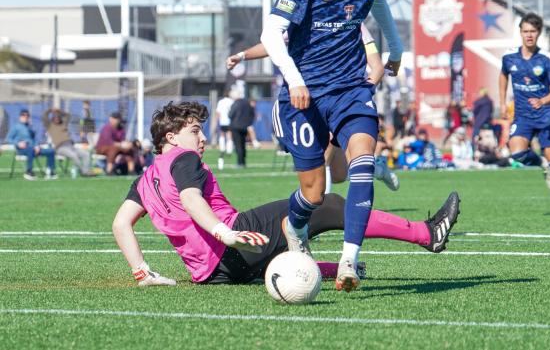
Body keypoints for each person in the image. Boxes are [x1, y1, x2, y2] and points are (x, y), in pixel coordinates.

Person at [259, 0, 437, 292]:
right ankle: (295, 224)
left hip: (350, 88)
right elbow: (272, 34)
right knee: (314, 193)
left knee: (360, 160)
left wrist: (396, 47)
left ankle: (348, 262)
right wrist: (294, 79)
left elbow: (378, 6)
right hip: (302, 94)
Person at [111, 101, 460, 287]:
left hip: (212, 275)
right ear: (170, 138)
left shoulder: (144, 180)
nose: (202, 139)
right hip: (234, 245)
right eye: (194, 131)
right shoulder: (183, 157)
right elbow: (191, 199)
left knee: (286, 246)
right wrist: (226, 233)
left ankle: (327, 268)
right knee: (325, 203)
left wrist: (142, 272)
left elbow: (120, 224)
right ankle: (426, 233)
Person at [226, 22, 398, 192]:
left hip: (343, 105)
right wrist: (242, 55)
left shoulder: (355, 23)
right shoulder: (311, 20)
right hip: (312, 105)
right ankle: (375, 168)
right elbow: (273, 44)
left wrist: (359, 95)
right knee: (338, 174)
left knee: (325, 156)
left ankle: (319, 213)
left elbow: (377, 68)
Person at [499, 13, 550, 216]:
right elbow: (503, 75)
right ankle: (540, 163)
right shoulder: (509, 57)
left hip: (547, 116)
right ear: (520, 32)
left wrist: (543, 101)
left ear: (539, 33)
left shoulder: (546, 59)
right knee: (516, 153)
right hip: (523, 116)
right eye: (525, 31)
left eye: (533, 31)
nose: (529, 35)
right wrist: (502, 102)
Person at [7, 109, 57, 180]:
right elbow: (9, 138)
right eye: (24, 116)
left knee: (51, 151)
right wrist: (18, 143)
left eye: (27, 116)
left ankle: (50, 171)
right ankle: (29, 171)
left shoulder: (29, 127)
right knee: (30, 150)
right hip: (22, 149)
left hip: (33, 148)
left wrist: (36, 145)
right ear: (20, 117)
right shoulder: (16, 126)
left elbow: (34, 138)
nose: (25, 117)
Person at [43, 108, 93, 176]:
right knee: (73, 155)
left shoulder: (63, 124)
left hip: (71, 146)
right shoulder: (50, 126)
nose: (57, 119)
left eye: (58, 117)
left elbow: (68, 116)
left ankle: (86, 171)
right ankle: (84, 172)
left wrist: (60, 111)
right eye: (55, 117)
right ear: (52, 118)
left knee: (86, 154)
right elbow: (44, 116)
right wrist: (50, 110)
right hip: (61, 148)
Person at [96, 111, 136, 175]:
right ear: (110, 119)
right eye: (115, 118)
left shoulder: (121, 129)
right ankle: (109, 171)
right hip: (102, 148)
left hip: (117, 147)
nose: (116, 120)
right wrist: (121, 145)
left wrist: (127, 144)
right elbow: (108, 141)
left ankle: (131, 171)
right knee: (113, 149)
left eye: (118, 119)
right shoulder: (107, 128)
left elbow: (123, 140)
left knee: (129, 150)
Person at [228, 92, 255, 168]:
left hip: (235, 127)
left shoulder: (235, 103)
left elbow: (230, 115)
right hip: (244, 126)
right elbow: (252, 113)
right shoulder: (247, 103)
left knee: (238, 145)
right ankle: (243, 162)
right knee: (243, 145)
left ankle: (240, 163)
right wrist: (249, 122)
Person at [215, 91, 234, 170]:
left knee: (222, 134)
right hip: (229, 121)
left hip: (222, 121)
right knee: (229, 135)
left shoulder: (220, 102)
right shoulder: (231, 101)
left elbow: (218, 112)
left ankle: (222, 148)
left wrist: (216, 121)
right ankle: (229, 150)